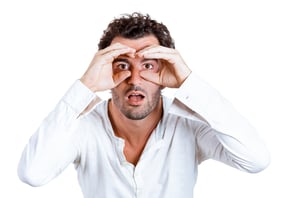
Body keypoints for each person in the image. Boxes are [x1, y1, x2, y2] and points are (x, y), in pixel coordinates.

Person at [18, 12, 270, 198]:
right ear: (106, 71)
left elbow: (256, 160)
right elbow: (32, 174)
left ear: (165, 71)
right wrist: (85, 87)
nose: (135, 79)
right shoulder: (83, 127)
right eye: (123, 65)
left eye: (148, 65)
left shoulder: (190, 124)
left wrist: (188, 82)